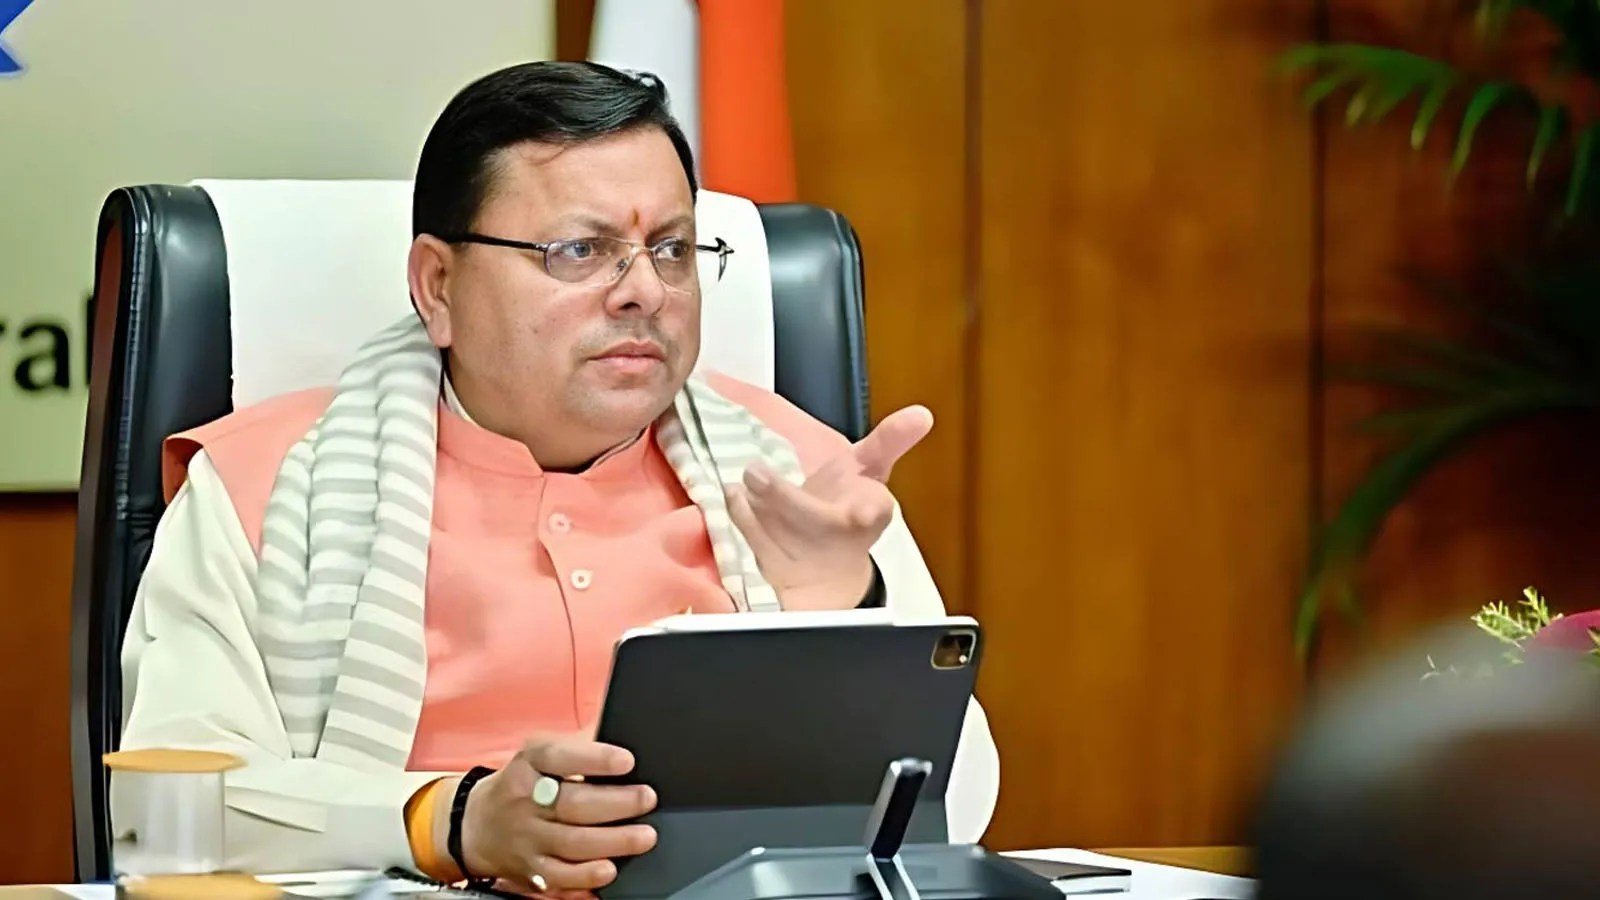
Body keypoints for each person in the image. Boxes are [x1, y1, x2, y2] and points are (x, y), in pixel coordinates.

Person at [113, 60, 996, 895]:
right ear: (438, 287)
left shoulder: (795, 475)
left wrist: (839, 607)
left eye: (673, 250)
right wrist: (451, 821)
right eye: (580, 250)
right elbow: (170, 806)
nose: (644, 291)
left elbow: (958, 802)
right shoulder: (263, 485)